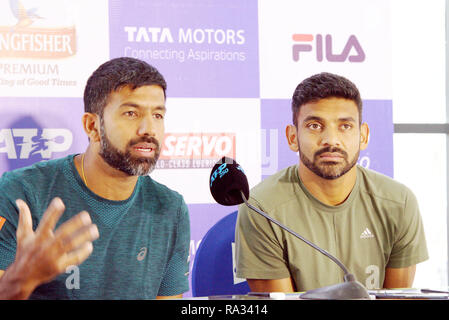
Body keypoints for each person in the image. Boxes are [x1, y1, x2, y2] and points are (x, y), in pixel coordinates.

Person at [0, 57, 191, 299]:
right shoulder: (22, 191)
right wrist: (23, 278)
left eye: (157, 115)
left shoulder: (170, 208)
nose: (149, 129)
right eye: (131, 113)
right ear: (92, 126)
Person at [235, 72, 428, 293]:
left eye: (345, 126)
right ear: (292, 137)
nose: (331, 140)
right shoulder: (261, 208)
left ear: (363, 136)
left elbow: (397, 298)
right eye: (315, 126)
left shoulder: (399, 203)